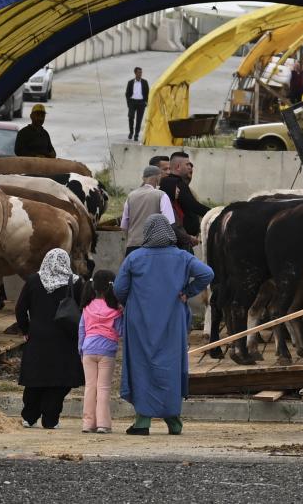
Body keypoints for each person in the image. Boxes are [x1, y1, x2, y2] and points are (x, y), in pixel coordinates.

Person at [115, 215, 214, 435]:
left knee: (142, 363)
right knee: (171, 363)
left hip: (139, 320)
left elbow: (120, 288)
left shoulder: (135, 257)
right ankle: (173, 421)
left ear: (147, 233)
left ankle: (142, 421)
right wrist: (187, 293)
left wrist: (129, 301)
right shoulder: (182, 257)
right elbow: (207, 274)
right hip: (172, 319)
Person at [15, 248, 85, 429]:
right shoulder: (76, 283)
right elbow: (84, 310)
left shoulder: (33, 281)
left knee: (35, 379)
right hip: (65, 339)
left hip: (38, 337)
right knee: (59, 380)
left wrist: (26, 329)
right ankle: (51, 419)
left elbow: (20, 309)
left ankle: (29, 417)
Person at [78, 270, 122, 434]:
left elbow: (82, 330)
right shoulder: (115, 309)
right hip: (107, 351)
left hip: (88, 349)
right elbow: (121, 331)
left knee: (90, 387)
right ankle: (103, 424)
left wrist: (81, 349)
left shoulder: (86, 306)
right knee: (103, 387)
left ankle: (87, 424)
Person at [121, 165, 175, 256]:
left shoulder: (131, 196)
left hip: (132, 248)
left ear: (143, 178)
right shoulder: (161, 195)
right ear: (158, 177)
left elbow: (123, 226)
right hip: (154, 249)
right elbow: (169, 223)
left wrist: (132, 240)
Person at [158, 151, 208, 243]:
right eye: (187, 164)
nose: (190, 167)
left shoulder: (172, 182)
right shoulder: (174, 182)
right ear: (178, 167)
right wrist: (216, 213)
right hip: (179, 240)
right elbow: (193, 205)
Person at [125, 67, 149, 141]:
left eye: (141, 72)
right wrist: (129, 103)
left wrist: (145, 102)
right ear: (135, 73)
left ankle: (136, 135)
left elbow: (148, 93)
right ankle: (131, 132)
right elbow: (127, 93)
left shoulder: (145, 82)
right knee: (131, 117)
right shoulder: (130, 82)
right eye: (138, 72)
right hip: (132, 102)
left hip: (141, 103)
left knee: (139, 120)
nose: (140, 74)